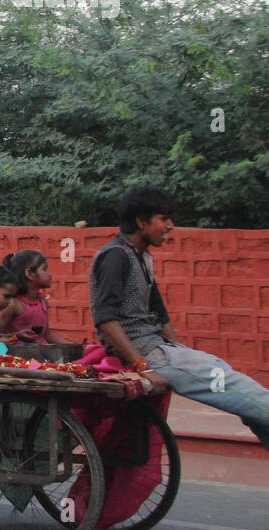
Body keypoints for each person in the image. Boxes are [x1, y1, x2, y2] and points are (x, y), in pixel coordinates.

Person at [89, 186, 269, 451]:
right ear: (141, 222)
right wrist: (144, 366)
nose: (170, 226)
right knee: (245, 393)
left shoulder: (141, 256)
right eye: (163, 219)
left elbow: (159, 313)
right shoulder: (115, 256)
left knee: (241, 394)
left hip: (163, 351)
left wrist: (181, 352)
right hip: (147, 353)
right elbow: (105, 318)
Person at [0, 250, 74, 345]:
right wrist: (16, 336)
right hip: (17, 357)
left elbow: (46, 335)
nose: (50, 274)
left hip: (40, 356)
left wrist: (73, 346)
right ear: (30, 274)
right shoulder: (13, 304)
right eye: (44, 269)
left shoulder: (42, 302)